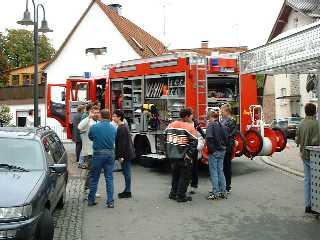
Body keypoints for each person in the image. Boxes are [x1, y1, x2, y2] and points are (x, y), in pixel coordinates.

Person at [165, 108, 198, 202]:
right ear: (187, 116)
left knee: (175, 175)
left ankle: (173, 193)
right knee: (185, 177)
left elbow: (165, 138)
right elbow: (194, 142)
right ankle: (181, 196)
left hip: (172, 156)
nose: (192, 116)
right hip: (184, 157)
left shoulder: (171, 125)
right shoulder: (189, 127)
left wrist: (168, 151)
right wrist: (189, 154)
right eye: (191, 115)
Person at [88, 109, 116, 208]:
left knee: (94, 178)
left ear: (101, 116)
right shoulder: (113, 128)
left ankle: (91, 200)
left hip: (98, 154)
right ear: (109, 117)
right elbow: (114, 139)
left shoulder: (94, 127)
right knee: (109, 178)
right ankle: (110, 202)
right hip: (110, 154)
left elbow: (90, 137)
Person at [295, 103, 320, 214]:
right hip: (315, 156)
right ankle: (316, 206)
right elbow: (317, 141)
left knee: (307, 180)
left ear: (305, 111)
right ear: (314, 112)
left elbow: (297, 140)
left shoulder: (301, 124)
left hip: (304, 155)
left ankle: (307, 205)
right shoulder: (317, 124)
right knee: (316, 181)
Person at [113, 110, 136, 198]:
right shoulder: (123, 126)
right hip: (127, 153)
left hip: (125, 154)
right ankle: (127, 190)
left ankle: (127, 191)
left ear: (119, 117)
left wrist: (121, 156)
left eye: (114, 116)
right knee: (126, 172)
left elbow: (122, 143)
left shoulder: (121, 128)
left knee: (126, 172)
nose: (113, 118)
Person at [206, 110, 228, 200]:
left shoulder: (211, 125)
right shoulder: (221, 125)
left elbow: (209, 139)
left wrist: (212, 150)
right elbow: (226, 137)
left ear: (210, 117)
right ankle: (223, 191)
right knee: (220, 171)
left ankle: (215, 193)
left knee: (214, 172)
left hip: (214, 152)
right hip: (222, 151)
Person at [78, 105, 100, 190]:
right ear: (90, 112)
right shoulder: (88, 121)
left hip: (98, 151)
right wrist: (88, 117)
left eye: (97, 112)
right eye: (94, 112)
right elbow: (79, 127)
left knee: (95, 172)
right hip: (89, 151)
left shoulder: (98, 122)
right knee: (91, 172)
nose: (96, 114)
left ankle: (91, 189)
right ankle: (88, 189)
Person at [220, 103, 237, 193]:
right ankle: (223, 185)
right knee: (223, 167)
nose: (221, 112)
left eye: (222, 111)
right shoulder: (223, 120)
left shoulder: (231, 120)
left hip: (227, 147)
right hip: (223, 146)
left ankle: (227, 186)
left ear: (226, 111)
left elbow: (231, 134)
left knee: (226, 167)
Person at [189, 119, 205, 194]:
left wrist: (197, 148)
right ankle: (185, 185)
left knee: (193, 168)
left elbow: (203, 136)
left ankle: (194, 186)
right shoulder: (183, 124)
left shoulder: (196, 125)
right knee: (186, 169)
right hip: (186, 150)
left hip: (193, 150)